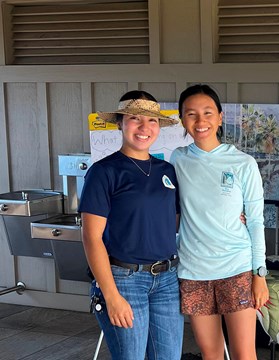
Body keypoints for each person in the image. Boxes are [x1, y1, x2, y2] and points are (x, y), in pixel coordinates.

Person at [79, 91, 184, 359]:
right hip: (124, 280)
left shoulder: (166, 171)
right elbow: (92, 238)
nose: (144, 127)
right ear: (120, 123)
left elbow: (175, 221)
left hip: (167, 279)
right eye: (135, 119)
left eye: (151, 121)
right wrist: (111, 296)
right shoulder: (104, 172)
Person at [171, 84, 268, 360]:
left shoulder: (243, 164)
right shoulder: (177, 159)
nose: (200, 121)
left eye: (207, 112)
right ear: (182, 120)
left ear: (220, 117)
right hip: (193, 271)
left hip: (236, 268)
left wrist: (259, 274)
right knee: (210, 353)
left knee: (244, 354)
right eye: (191, 114)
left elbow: (256, 221)